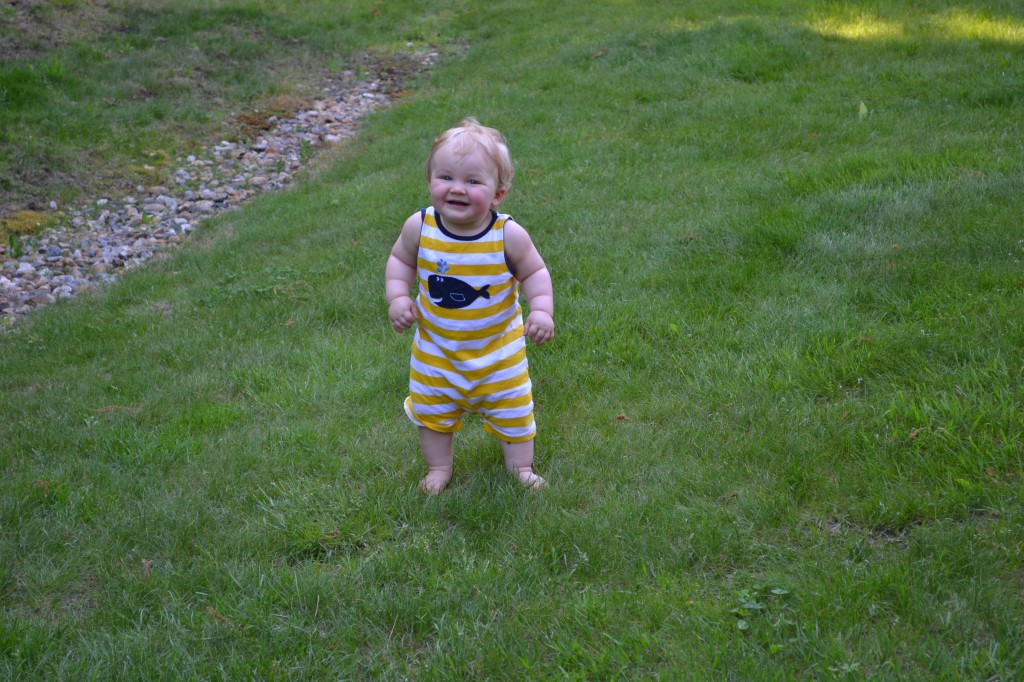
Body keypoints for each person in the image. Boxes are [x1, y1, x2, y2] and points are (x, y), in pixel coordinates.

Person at [385, 118, 554, 494]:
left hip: (499, 354)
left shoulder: (507, 234)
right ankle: (438, 467)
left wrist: (541, 309)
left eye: (473, 181)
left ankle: (521, 467)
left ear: (498, 194)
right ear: (429, 180)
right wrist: (398, 296)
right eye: (446, 177)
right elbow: (400, 261)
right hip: (436, 353)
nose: (457, 189)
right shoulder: (420, 226)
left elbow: (534, 272)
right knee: (431, 414)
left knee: (514, 411)